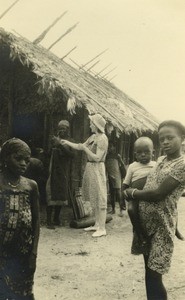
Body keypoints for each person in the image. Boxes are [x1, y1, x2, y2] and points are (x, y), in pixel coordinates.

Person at [124, 120, 185, 300]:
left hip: (161, 227)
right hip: (145, 226)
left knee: (154, 276)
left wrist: (132, 192)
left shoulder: (182, 165)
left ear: (182, 139)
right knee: (148, 273)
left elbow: (159, 194)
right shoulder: (160, 160)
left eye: (170, 138)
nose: (165, 142)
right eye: (161, 139)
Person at [54, 113, 108, 237]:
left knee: (100, 196)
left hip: (97, 168)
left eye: (91, 122)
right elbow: (80, 146)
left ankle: (102, 228)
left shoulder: (102, 138)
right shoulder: (94, 136)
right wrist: (67, 142)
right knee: (94, 196)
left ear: (96, 125)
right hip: (91, 168)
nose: (90, 124)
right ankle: (96, 224)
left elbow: (97, 157)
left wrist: (85, 149)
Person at [0, 138, 40, 300]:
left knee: (22, 293)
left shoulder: (30, 186)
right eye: (18, 159)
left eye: (27, 160)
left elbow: (36, 223)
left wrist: (33, 254)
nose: (24, 163)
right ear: (5, 158)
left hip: (23, 253)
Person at [123, 137, 156, 248]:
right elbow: (125, 184)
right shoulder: (132, 166)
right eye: (139, 152)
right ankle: (140, 234)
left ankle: (175, 229)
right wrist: (123, 196)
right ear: (135, 154)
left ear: (153, 153)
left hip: (151, 196)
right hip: (135, 196)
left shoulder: (156, 165)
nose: (143, 155)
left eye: (146, 152)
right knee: (131, 210)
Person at [46, 120, 74, 229]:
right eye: (60, 128)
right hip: (52, 171)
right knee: (50, 193)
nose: (62, 130)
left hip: (62, 172)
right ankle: (49, 221)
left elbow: (72, 155)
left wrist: (60, 145)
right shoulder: (54, 140)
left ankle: (56, 218)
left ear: (68, 130)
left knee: (60, 195)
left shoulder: (70, 142)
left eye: (64, 129)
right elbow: (48, 154)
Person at [106, 141, 126, 216]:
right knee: (112, 193)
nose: (109, 148)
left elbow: (122, 165)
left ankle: (121, 210)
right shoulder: (107, 156)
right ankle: (113, 209)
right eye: (109, 147)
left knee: (118, 193)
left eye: (111, 146)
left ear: (114, 147)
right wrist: (109, 175)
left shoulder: (117, 156)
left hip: (117, 175)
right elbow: (106, 167)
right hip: (110, 176)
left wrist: (122, 174)